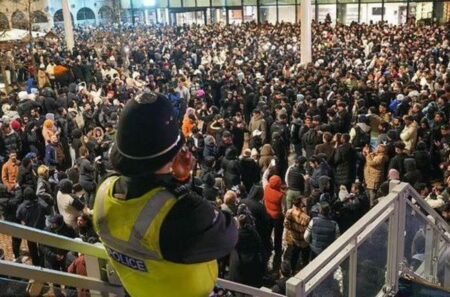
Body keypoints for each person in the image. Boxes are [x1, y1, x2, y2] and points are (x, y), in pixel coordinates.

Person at [92, 90, 237, 297]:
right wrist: (183, 186)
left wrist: (177, 181)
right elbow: (229, 234)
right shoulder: (182, 213)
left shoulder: (103, 191)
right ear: (175, 153)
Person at [283, 197, 310, 272]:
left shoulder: (289, 212)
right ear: (300, 204)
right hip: (304, 241)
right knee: (305, 258)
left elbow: (286, 225)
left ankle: (293, 270)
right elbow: (308, 231)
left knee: (294, 256)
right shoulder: (306, 218)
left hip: (294, 239)